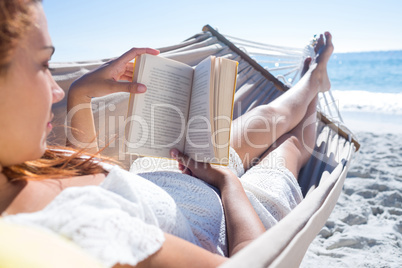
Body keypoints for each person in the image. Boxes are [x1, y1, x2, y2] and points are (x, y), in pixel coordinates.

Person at [0, 0, 334, 267]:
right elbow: (257, 260)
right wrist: (228, 182)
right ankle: (316, 84)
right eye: (44, 65)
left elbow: (84, 171)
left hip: (175, 173)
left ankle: (310, 81)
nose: (55, 91)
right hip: (236, 217)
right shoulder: (82, 228)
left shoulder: (18, 163)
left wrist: (81, 94)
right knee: (288, 149)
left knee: (268, 115)